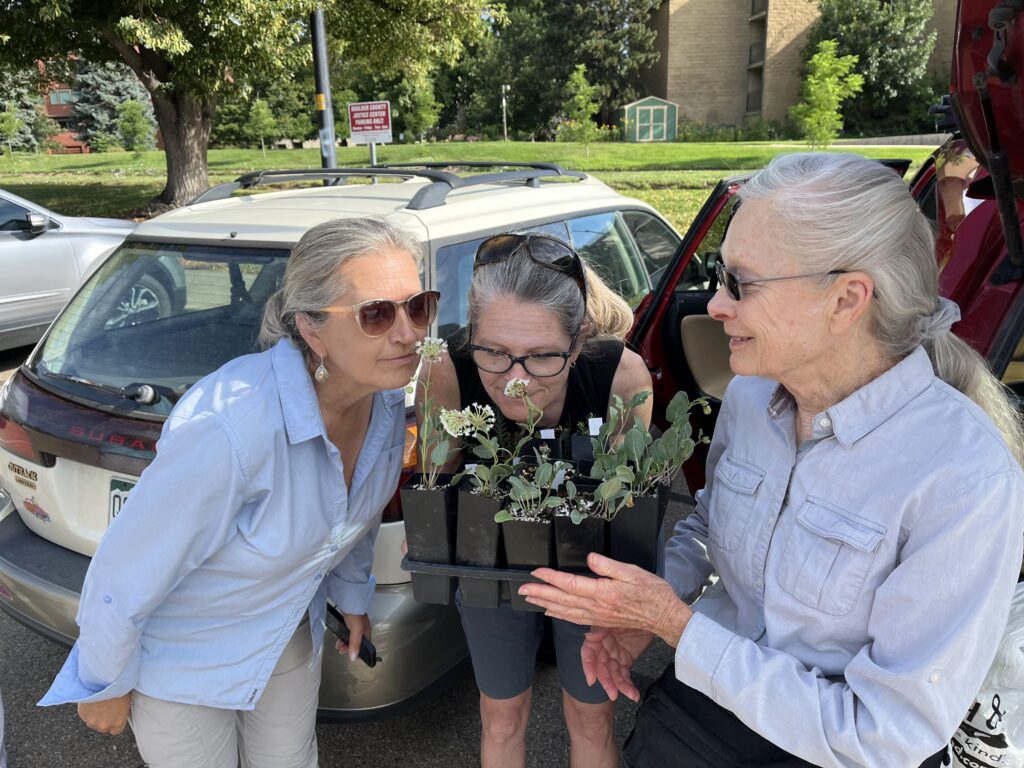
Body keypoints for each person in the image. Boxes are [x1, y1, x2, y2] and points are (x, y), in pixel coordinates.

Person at [519, 152, 1024, 768]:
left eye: (741, 282)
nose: (716, 306)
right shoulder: (753, 395)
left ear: (846, 300)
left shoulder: (961, 476)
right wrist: (647, 611)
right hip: (695, 713)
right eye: (717, 275)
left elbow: (883, 734)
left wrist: (678, 625)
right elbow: (710, 527)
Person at [39, 217, 436, 768]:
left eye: (418, 306)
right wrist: (102, 681)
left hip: (283, 634)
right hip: (185, 659)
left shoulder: (387, 407)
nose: (409, 332)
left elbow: (353, 519)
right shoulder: (232, 425)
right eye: (377, 313)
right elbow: (126, 569)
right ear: (312, 329)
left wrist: (352, 600)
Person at [420, 232, 653, 768]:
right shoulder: (447, 371)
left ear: (580, 341)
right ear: (472, 334)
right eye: (494, 353)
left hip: (590, 572)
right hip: (490, 570)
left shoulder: (621, 376)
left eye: (544, 356)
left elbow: (631, 505)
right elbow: (437, 481)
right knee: (501, 717)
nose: (514, 380)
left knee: (591, 718)